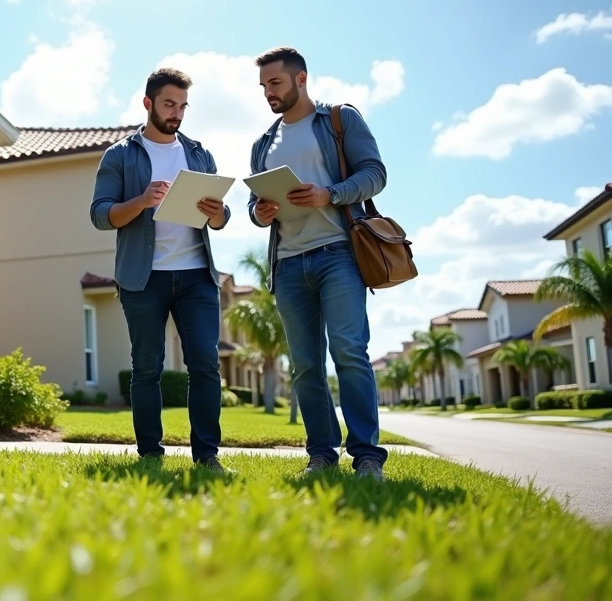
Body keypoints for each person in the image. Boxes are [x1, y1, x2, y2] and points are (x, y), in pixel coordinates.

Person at [246, 46, 389, 480]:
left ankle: (366, 456)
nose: (268, 92)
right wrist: (261, 212)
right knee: (306, 364)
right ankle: (321, 455)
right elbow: (255, 204)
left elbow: (375, 173)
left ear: (301, 78)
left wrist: (331, 194)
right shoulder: (263, 143)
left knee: (349, 352)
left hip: (338, 254)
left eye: (275, 83)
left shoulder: (340, 120)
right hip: (288, 264)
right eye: (263, 86)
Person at [89, 67, 231, 471]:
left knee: (205, 362)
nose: (177, 113)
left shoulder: (199, 153)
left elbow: (220, 219)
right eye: (169, 104)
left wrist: (218, 214)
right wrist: (141, 201)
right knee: (147, 367)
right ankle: (150, 455)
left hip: (196, 276)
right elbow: (101, 215)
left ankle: (207, 456)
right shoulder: (120, 155)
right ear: (148, 103)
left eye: (183, 106)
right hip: (142, 278)